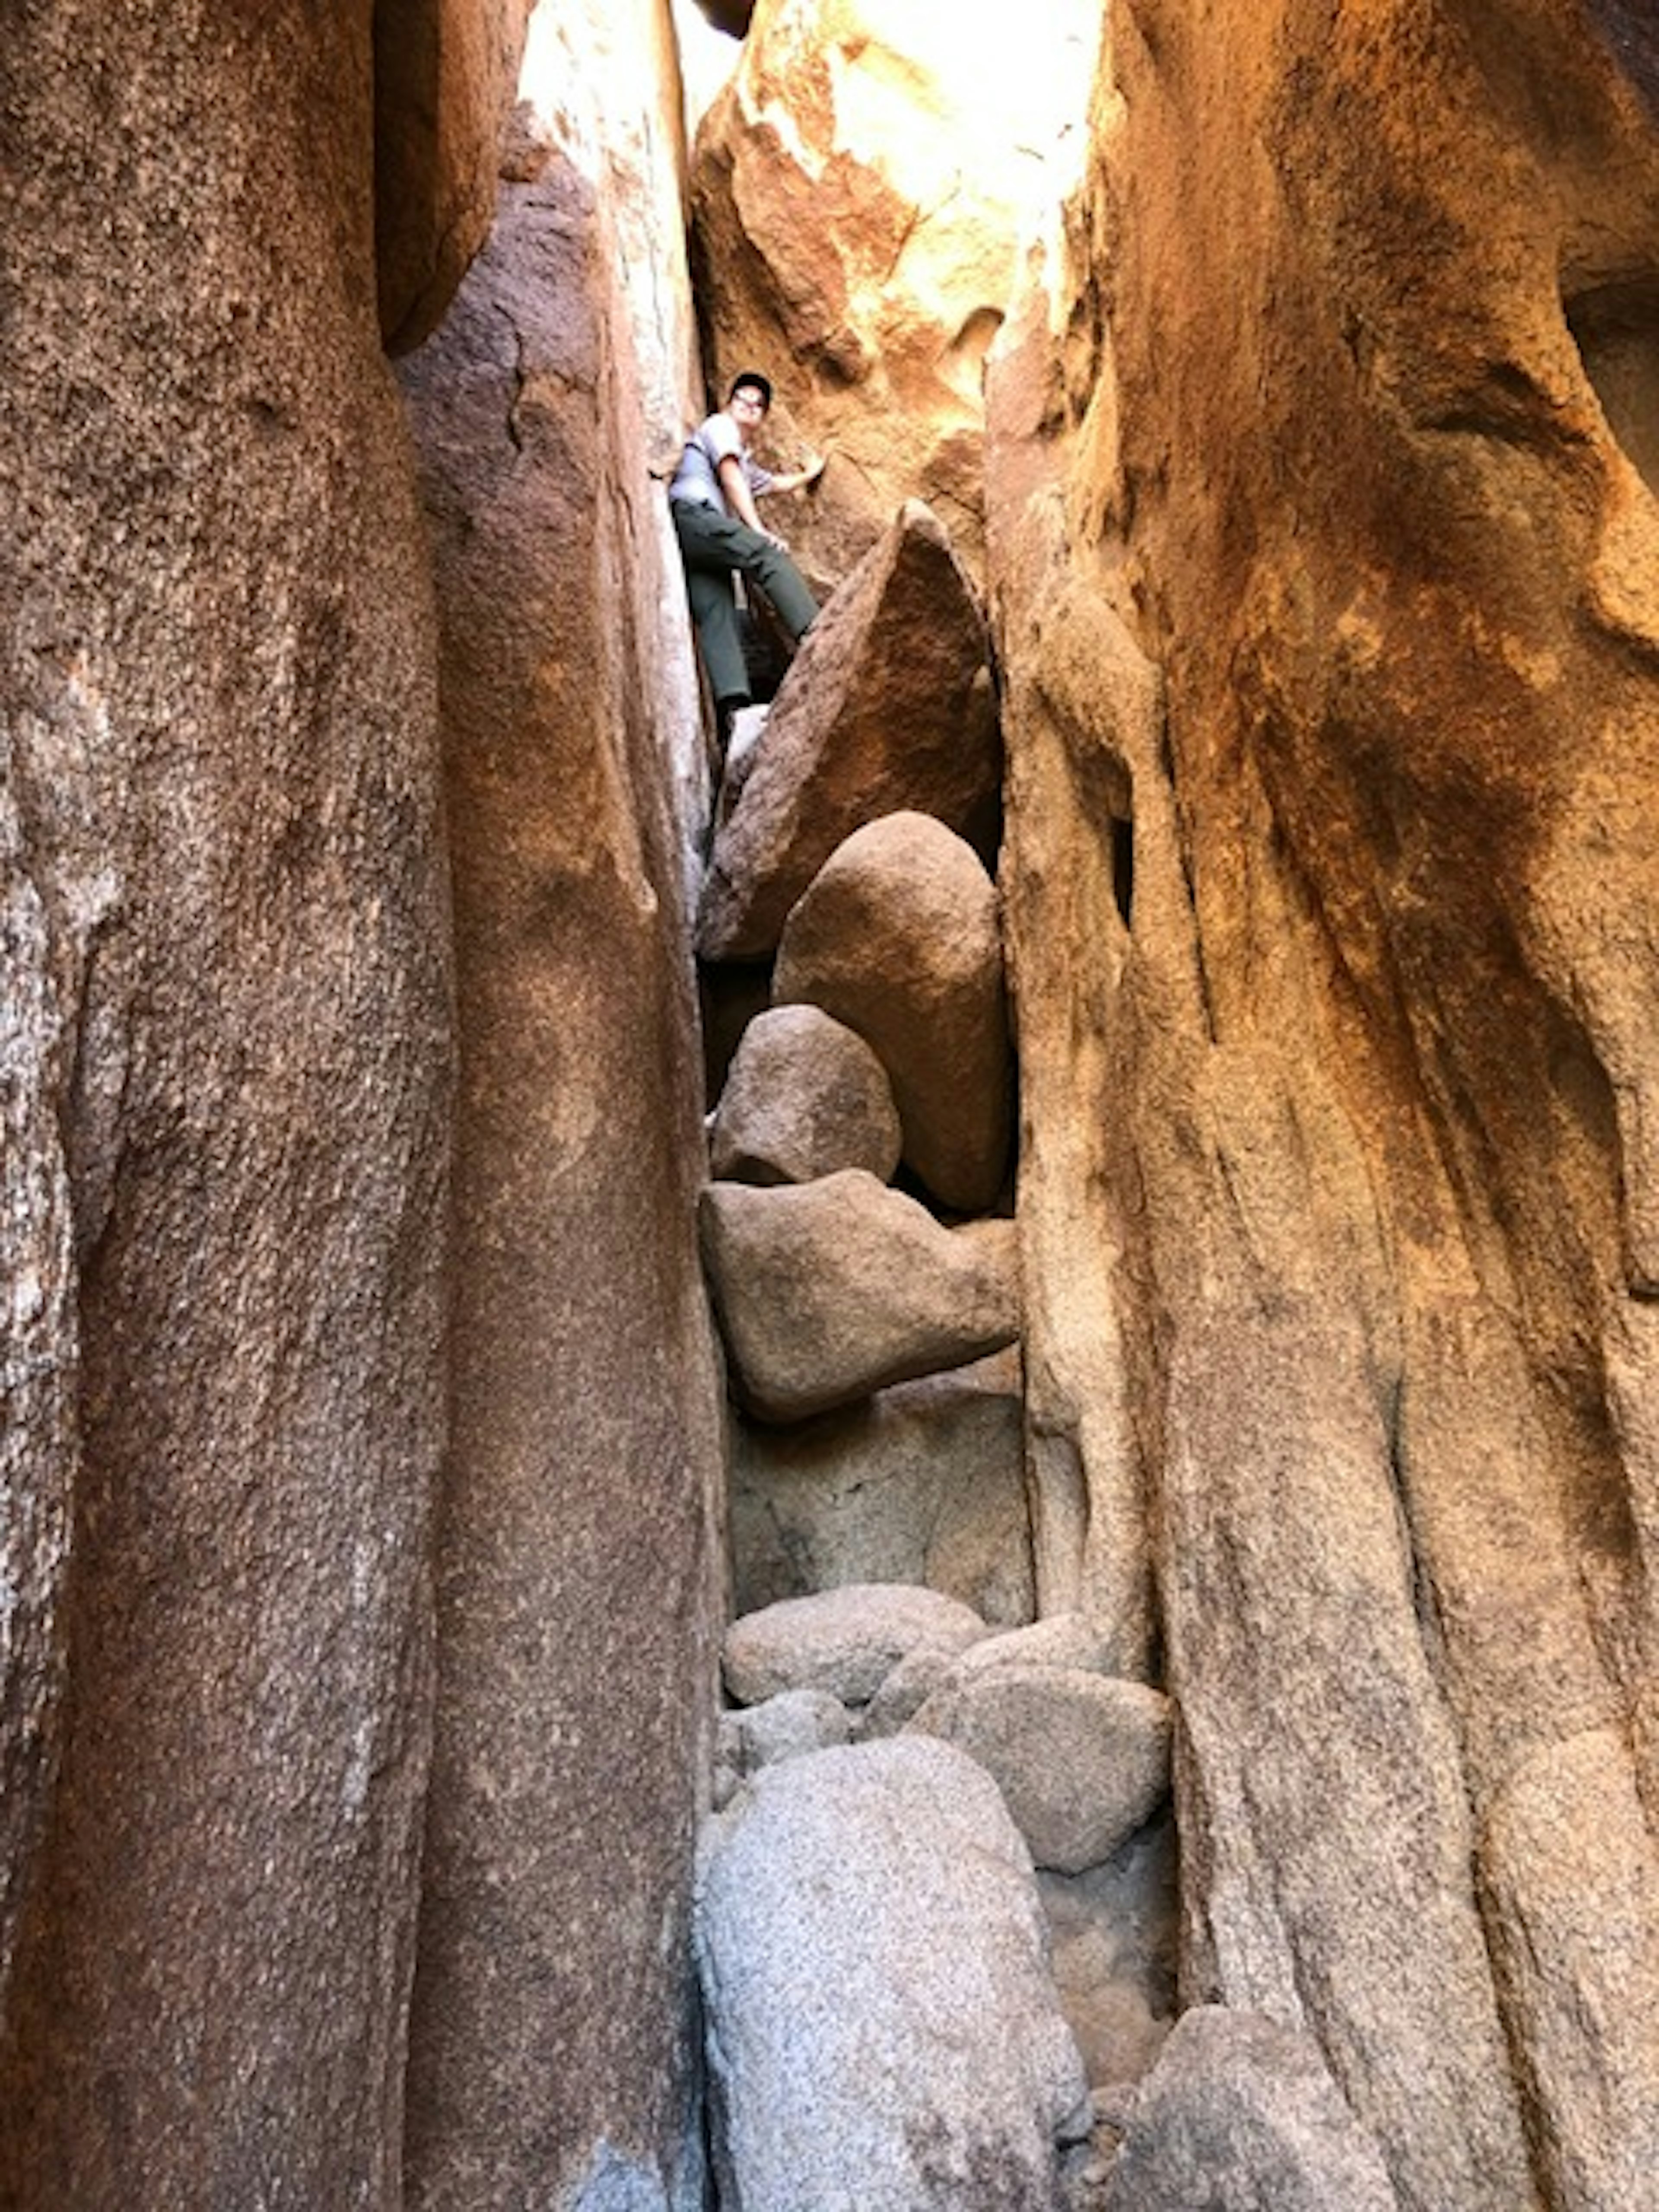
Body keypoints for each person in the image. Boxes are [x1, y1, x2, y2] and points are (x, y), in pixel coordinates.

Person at [668, 371, 826, 741]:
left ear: (763, 417)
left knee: (715, 612)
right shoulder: (721, 427)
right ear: (729, 403)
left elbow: (770, 483)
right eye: (743, 399)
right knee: (767, 556)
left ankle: (735, 710)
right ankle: (817, 633)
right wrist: (759, 532)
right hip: (697, 518)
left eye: (758, 405)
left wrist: (811, 474)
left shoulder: (739, 452)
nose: (749, 407)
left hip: (694, 537)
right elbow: (731, 477)